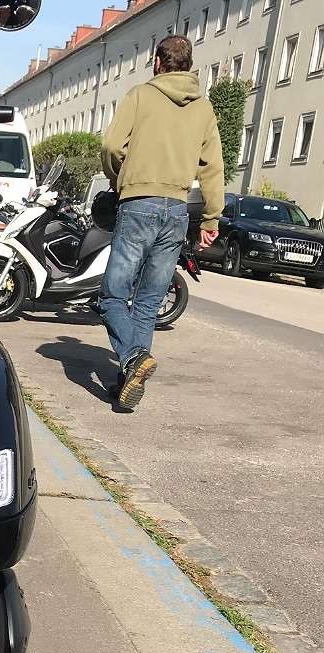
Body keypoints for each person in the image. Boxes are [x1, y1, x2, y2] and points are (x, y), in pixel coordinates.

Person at [98, 35, 223, 410]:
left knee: (112, 296)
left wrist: (119, 178)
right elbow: (213, 167)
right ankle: (128, 384)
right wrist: (211, 218)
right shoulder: (204, 109)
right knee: (149, 301)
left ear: (157, 62)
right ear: (189, 65)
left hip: (139, 203)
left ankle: (132, 357)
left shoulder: (141, 95)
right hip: (177, 210)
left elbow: (111, 146)